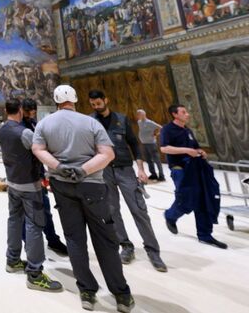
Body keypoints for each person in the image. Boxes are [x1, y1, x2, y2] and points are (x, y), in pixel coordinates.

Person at [32, 86, 134, 312]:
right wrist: (83, 170)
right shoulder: (91, 122)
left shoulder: (44, 124)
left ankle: (87, 291)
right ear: (76, 99)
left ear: (56, 100)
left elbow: (37, 149)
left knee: (74, 239)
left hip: (62, 185)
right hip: (92, 186)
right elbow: (108, 154)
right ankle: (121, 295)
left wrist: (59, 166)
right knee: (105, 240)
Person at [88, 90, 166, 273]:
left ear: (106, 100)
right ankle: (125, 246)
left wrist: (141, 168)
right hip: (104, 172)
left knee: (138, 210)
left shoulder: (121, 119)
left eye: (98, 103)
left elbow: (134, 144)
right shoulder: (90, 121)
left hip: (125, 170)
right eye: (93, 104)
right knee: (112, 211)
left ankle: (153, 251)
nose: (96, 107)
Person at [0, 98, 63, 293]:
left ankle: (12, 260)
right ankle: (35, 274)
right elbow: (40, 153)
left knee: (14, 220)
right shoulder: (25, 132)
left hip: (12, 183)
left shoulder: (2, 129)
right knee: (34, 224)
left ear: (5, 110)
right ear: (19, 110)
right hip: (29, 185)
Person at [160, 104, 227, 249]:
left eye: (187, 112)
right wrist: (186, 150)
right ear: (175, 114)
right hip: (179, 169)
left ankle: (205, 235)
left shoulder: (187, 130)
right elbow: (164, 148)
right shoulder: (167, 129)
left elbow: (195, 147)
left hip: (194, 168)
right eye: (184, 112)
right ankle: (170, 215)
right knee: (186, 199)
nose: (187, 114)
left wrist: (200, 151)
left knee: (202, 199)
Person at [20, 98, 68, 256]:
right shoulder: (19, 127)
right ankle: (28, 243)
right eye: (28, 112)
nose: (31, 115)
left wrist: (43, 173)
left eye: (33, 112)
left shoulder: (35, 124)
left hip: (38, 172)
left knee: (45, 210)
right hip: (25, 176)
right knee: (26, 213)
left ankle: (52, 240)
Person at [136, 109, 165, 181]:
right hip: (144, 143)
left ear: (143, 114)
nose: (137, 115)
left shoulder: (149, 122)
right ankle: (153, 174)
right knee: (148, 160)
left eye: (139, 114)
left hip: (151, 144)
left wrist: (155, 134)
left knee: (157, 160)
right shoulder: (139, 122)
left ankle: (161, 175)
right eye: (137, 114)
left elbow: (161, 128)